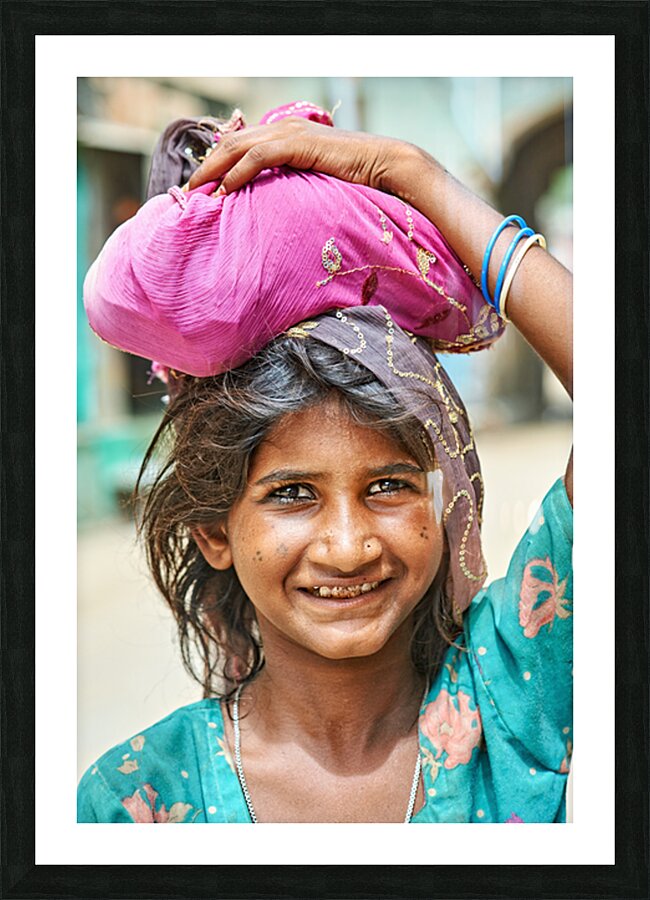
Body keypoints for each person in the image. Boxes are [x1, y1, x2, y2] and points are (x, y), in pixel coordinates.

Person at [78, 101, 572, 824]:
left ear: (444, 501)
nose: (349, 546)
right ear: (214, 526)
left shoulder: (513, 694)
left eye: (390, 486)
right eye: (292, 494)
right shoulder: (138, 798)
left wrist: (408, 172)